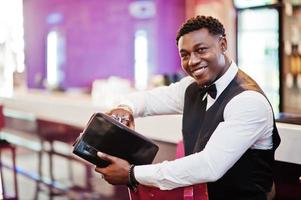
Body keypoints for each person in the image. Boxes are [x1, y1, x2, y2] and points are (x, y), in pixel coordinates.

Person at [95, 15, 281, 199]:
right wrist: (126, 107)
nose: (192, 61)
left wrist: (132, 174)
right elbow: (150, 99)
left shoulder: (248, 101)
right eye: (185, 55)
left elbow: (209, 165)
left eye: (201, 50)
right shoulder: (191, 87)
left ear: (223, 44)